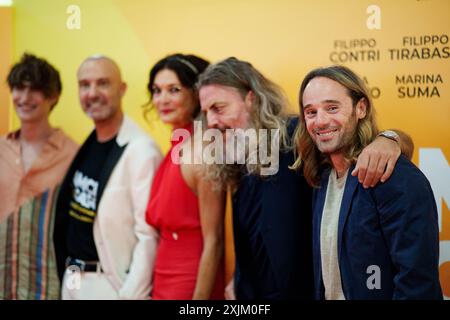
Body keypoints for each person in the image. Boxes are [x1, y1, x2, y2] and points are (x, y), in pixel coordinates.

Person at [197, 57, 405, 300]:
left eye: (218, 108)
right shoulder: (235, 152)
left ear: (251, 99)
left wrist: (390, 139)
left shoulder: (297, 134)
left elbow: (372, 143)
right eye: (205, 113)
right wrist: (238, 280)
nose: (211, 121)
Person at [293, 65, 442, 299]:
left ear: (360, 108)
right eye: (310, 112)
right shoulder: (321, 178)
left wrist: (390, 138)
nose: (320, 121)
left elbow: (417, 284)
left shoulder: (394, 175)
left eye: (332, 108)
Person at [53, 55, 162, 300]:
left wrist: (130, 295)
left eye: (103, 83)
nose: (92, 93)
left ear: (121, 89)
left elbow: (149, 235)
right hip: (73, 280)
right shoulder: (89, 142)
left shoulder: (141, 150)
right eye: (84, 85)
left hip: (108, 285)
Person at [145, 54, 225, 300]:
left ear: (197, 92)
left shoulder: (202, 150)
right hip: (161, 276)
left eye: (174, 90)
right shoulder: (178, 147)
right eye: (157, 91)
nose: (162, 100)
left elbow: (215, 240)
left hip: (190, 281)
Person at [0, 53, 78, 299]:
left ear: (52, 96)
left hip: (47, 286)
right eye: (18, 88)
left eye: (34, 90)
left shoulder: (73, 154)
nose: (24, 98)